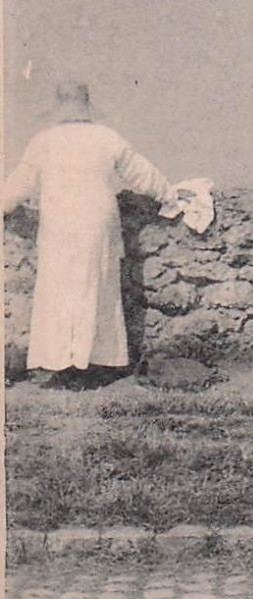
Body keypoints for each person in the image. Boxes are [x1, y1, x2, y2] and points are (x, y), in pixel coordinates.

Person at [2, 82, 172, 388]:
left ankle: (64, 364)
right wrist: (170, 194)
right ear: (87, 106)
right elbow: (142, 173)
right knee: (96, 285)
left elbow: (20, 183)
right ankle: (94, 363)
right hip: (96, 221)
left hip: (59, 221)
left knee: (59, 288)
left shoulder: (44, 141)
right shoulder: (107, 137)